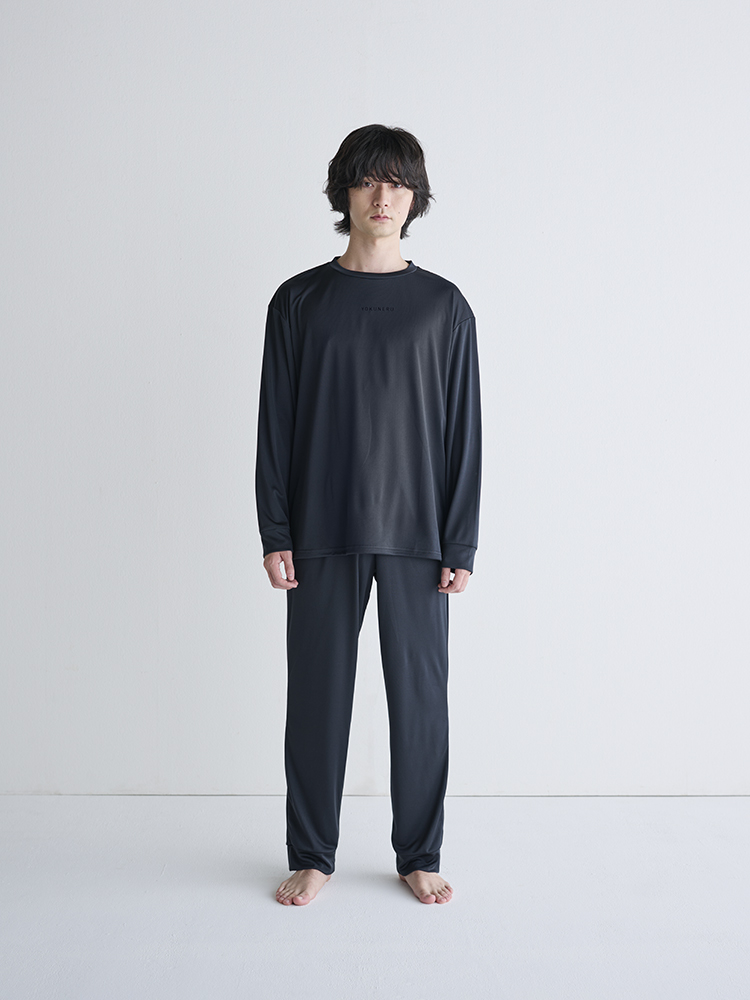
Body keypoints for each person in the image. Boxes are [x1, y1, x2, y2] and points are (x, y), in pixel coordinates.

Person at [255, 124, 482, 906]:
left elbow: (463, 431)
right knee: (316, 700)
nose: (383, 196)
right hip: (321, 529)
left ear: (415, 198)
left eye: (397, 182)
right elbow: (275, 423)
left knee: (421, 704)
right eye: (368, 180)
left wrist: (460, 541)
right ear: (344, 191)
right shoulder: (298, 301)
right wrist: (275, 531)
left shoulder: (444, 307)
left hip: (419, 535)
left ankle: (419, 852)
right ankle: (312, 854)